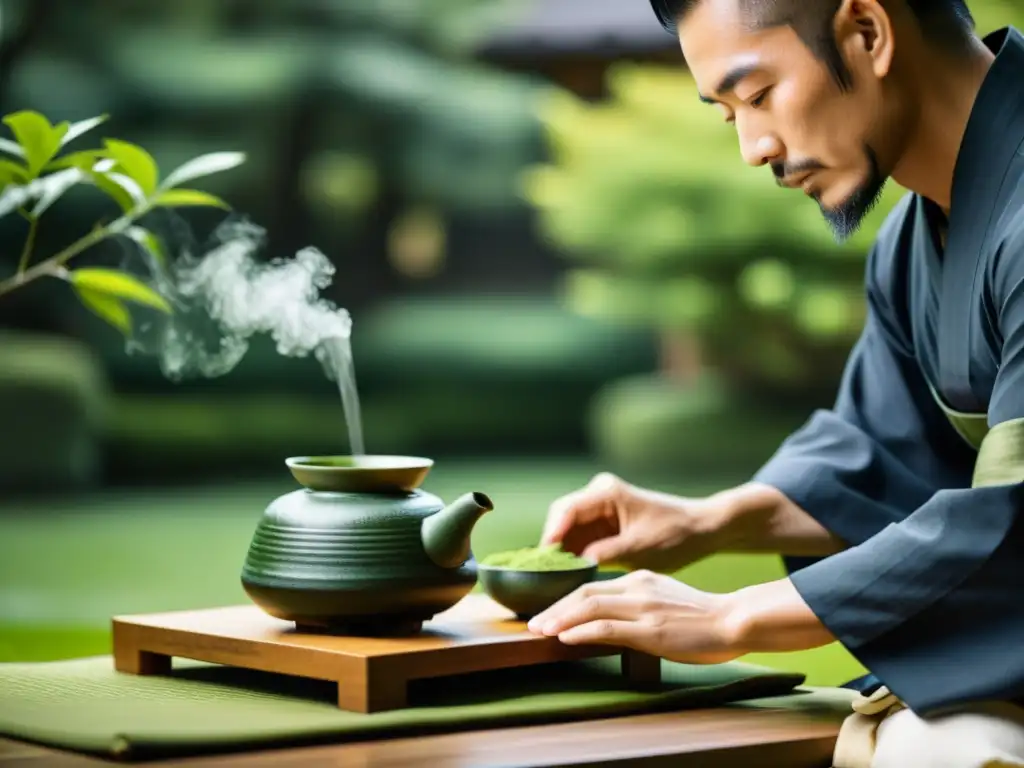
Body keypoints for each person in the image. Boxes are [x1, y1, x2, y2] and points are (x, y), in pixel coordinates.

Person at [526, 1, 1024, 766]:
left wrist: (733, 619)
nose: (754, 148)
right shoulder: (913, 241)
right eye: (729, 116)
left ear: (868, 31)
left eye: (758, 95)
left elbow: (1013, 519)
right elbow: (885, 452)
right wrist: (707, 521)